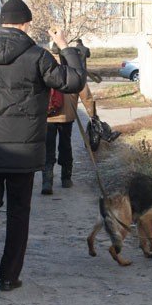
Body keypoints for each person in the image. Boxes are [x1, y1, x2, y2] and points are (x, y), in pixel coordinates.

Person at [0, 0, 86, 291]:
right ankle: (9, 277)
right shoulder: (38, 56)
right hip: (24, 153)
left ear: (0, 22)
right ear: (26, 23)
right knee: (18, 212)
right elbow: (73, 82)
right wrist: (65, 47)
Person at [41, 44, 96, 195]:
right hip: (68, 116)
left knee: (48, 148)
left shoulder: (48, 68)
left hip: (48, 116)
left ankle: (47, 181)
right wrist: (92, 115)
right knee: (65, 146)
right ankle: (66, 179)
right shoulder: (74, 70)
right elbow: (87, 96)